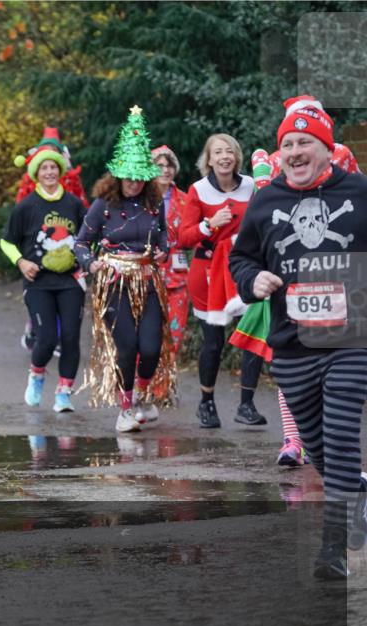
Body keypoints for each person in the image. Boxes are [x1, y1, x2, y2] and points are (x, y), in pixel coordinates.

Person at [229, 98, 367, 580]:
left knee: (342, 436)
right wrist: (254, 281)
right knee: (317, 444)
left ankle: (334, 547)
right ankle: (359, 495)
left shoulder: (360, 192)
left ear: (327, 150)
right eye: (287, 143)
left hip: (350, 341)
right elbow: (241, 258)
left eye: (304, 142)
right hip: (291, 344)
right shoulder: (266, 202)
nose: (293, 150)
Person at [74, 106, 174, 433]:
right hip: (114, 283)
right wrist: (92, 262)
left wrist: (163, 250)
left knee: (150, 347)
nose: (132, 182)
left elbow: (163, 236)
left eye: (138, 176)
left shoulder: (153, 205)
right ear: (118, 175)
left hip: (147, 282)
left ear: (146, 177)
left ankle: (143, 395)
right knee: (127, 346)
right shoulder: (103, 206)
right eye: (127, 176)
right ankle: (126, 408)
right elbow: (80, 244)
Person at [179, 133, 265, 429]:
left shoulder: (252, 186)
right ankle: (207, 403)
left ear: (237, 156)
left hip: (244, 268)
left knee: (253, 336)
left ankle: (247, 404)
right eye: (218, 152)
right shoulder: (198, 190)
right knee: (213, 343)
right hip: (207, 271)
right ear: (209, 159)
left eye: (229, 151)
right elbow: (183, 238)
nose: (225, 157)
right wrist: (209, 224)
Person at [2, 141, 86, 412]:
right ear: (36, 173)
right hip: (38, 282)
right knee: (47, 338)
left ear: (60, 170)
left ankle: (64, 393)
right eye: (44, 168)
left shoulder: (74, 204)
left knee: (71, 337)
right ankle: (37, 374)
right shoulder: (26, 207)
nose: (49, 172)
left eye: (53, 167)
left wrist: (88, 261)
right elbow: (6, 242)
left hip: (71, 281)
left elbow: (89, 237)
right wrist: (21, 261)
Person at [151, 145, 190, 358]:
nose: (165, 170)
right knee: (147, 337)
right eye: (160, 166)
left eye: (169, 166)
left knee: (174, 337)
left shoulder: (186, 200)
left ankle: (162, 389)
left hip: (178, 276)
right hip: (147, 276)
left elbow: (194, 235)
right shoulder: (141, 199)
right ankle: (142, 386)